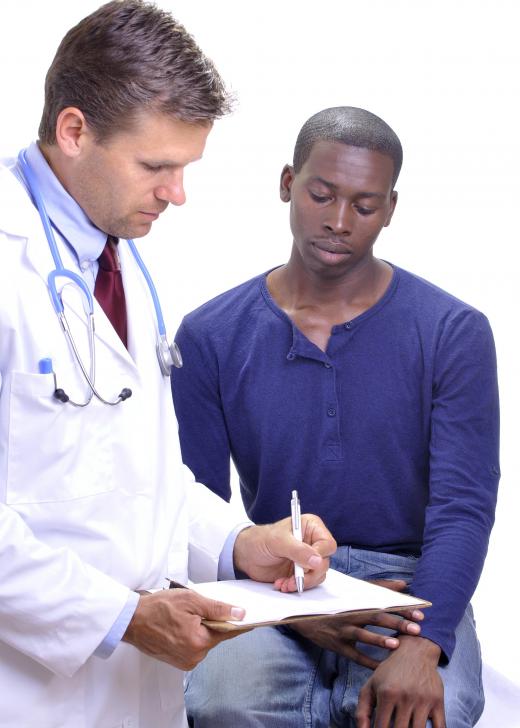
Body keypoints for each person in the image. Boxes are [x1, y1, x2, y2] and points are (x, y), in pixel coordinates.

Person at [0, 4, 343, 727]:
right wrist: (117, 617)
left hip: (133, 692)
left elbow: (137, 478)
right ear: (73, 131)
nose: (177, 193)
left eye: (184, 167)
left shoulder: (117, 267)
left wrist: (239, 544)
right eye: (157, 165)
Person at [172, 106, 500, 727]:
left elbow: (464, 504)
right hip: (271, 577)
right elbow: (193, 510)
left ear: (391, 208)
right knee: (225, 703)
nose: (340, 221)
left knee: (437, 709)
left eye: (365, 205)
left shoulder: (453, 332)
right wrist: (289, 608)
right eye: (321, 194)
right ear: (287, 183)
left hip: (409, 586)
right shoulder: (211, 335)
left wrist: (425, 643)